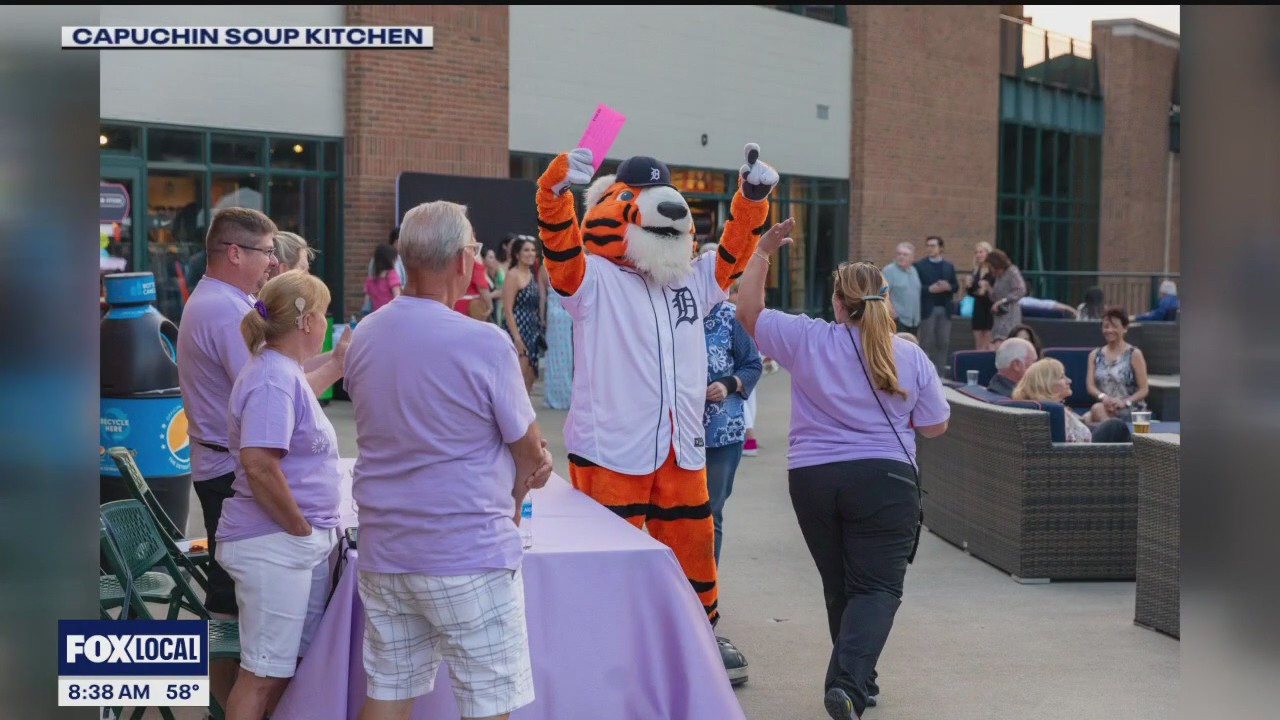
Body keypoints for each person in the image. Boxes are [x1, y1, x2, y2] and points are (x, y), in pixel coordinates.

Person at [344, 200, 553, 720]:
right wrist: (528, 477)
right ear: (463, 259)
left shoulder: (366, 334)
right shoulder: (485, 342)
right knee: (489, 701)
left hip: (386, 547)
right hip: (465, 549)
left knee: (389, 690)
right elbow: (529, 450)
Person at [738, 225, 950, 720]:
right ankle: (848, 687)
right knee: (876, 588)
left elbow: (747, 312)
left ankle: (857, 680)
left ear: (837, 303)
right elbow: (935, 426)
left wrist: (762, 251)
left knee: (841, 585)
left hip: (812, 478)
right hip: (885, 479)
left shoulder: (806, 338)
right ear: (886, 299)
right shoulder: (908, 354)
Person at [176, 207, 348, 708]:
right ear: (235, 252)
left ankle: (230, 704)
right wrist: (299, 528)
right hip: (243, 496)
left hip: (242, 493)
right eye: (268, 252)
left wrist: (336, 361)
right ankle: (223, 704)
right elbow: (270, 419)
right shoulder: (225, 311)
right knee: (245, 636)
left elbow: (287, 380)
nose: (275, 262)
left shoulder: (231, 308)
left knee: (260, 648)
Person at [217, 270, 341, 720]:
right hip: (274, 544)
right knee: (263, 673)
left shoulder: (281, 370)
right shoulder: (272, 378)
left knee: (284, 669)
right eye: (324, 314)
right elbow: (259, 464)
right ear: (306, 322)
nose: (327, 323)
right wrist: (298, 527)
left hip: (288, 544)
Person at [702, 273, 763, 566]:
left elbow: (752, 365)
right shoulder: (671, 313)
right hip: (675, 430)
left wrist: (729, 383)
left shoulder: (730, 316)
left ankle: (706, 584)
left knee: (711, 508)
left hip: (721, 430)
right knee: (675, 511)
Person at [1014, 358, 1132, 443]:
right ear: (1047, 384)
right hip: (1080, 458)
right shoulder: (1054, 411)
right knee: (1115, 426)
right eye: (1062, 377)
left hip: (1078, 452)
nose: (1069, 380)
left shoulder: (1042, 409)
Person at [1086, 308, 1150, 424]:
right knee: (1088, 416)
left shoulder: (1134, 354)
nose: (1109, 330)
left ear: (1125, 328)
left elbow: (1144, 389)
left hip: (1130, 408)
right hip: (1106, 407)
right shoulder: (1094, 355)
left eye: (1114, 326)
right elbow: (1090, 386)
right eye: (1106, 327)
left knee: (1093, 413)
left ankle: (1113, 431)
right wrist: (1103, 397)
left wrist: (1125, 402)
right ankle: (1113, 431)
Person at [502, 235, 545, 393]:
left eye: (533, 250)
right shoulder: (513, 275)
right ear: (517, 254)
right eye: (526, 250)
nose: (531, 253)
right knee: (517, 381)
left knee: (530, 380)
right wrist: (517, 338)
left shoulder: (532, 275)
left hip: (532, 332)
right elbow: (507, 309)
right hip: (518, 330)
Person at [913, 235, 958, 374]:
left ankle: (941, 373)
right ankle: (925, 373)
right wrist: (930, 289)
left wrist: (948, 287)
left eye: (933, 246)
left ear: (941, 248)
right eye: (928, 246)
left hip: (945, 309)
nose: (930, 248)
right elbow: (915, 287)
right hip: (928, 309)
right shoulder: (919, 266)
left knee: (943, 342)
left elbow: (956, 286)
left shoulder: (949, 266)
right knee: (926, 341)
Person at [541, 261, 574, 409]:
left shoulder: (543, 268)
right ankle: (568, 395)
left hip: (554, 315)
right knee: (569, 354)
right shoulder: (573, 263)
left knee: (554, 355)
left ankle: (554, 395)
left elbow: (543, 297)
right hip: (569, 313)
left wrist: (542, 318)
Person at [987, 248, 1027, 343]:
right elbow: (995, 297)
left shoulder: (1011, 272)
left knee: (1007, 339)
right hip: (999, 315)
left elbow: (1020, 290)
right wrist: (988, 289)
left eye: (991, 266)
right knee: (997, 340)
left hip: (1010, 312)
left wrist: (1003, 300)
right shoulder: (998, 276)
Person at [882, 242, 921, 336]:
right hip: (898, 320)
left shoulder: (914, 270)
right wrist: (893, 313)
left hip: (914, 321)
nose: (901, 257)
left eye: (905, 254)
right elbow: (883, 294)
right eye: (899, 254)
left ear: (912, 257)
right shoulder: (889, 270)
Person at [966, 241, 995, 350]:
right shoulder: (975, 270)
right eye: (976, 252)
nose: (978, 255)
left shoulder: (993, 271)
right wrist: (969, 286)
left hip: (990, 308)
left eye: (981, 252)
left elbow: (998, 291)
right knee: (978, 343)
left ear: (988, 253)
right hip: (978, 307)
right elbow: (972, 293)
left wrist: (988, 287)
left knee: (988, 343)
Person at [363, 244, 402, 313]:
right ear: (391, 260)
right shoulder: (392, 275)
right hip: (390, 313)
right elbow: (397, 297)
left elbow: (366, 303)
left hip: (377, 314)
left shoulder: (370, 279)